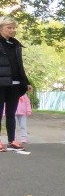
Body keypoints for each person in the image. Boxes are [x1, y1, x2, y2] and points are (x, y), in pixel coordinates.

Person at [0, 16, 32, 151]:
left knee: (11, 114)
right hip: (1, 83)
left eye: (14, 28)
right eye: (9, 28)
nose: (12, 30)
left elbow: (19, 65)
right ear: (1, 28)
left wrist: (26, 82)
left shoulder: (16, 45)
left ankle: (12, 141)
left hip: (15, 83)